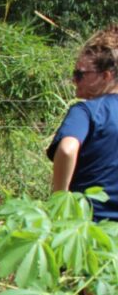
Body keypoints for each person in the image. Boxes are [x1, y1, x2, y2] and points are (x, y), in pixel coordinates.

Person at [47, 25, 118, 222]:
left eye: (80, 74)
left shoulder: (86, 111)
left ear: (106, 76)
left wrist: (59, 201)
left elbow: (68, 149)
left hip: (88, 225)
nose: (73, 80)